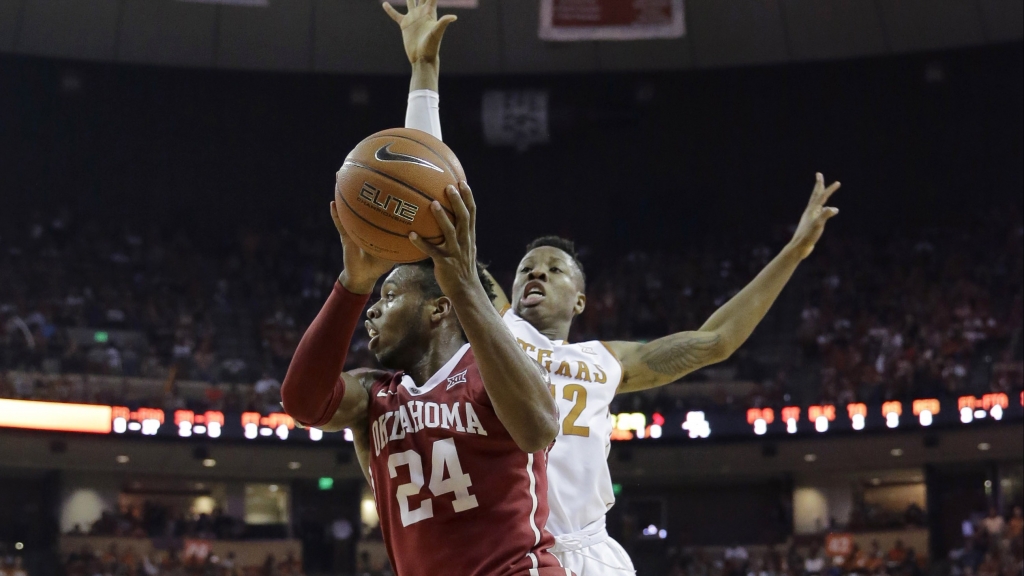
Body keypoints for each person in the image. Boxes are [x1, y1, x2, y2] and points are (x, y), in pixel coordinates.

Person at [390, 2, 842, 573]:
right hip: (514, 549)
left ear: (580, 300)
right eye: (528, 267)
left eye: (554, 270)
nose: (536, 273)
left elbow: (716, 341)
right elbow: (433, 212)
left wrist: (794, 253)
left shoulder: (605, 362)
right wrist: (424, 71)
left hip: (594, 551)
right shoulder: (491, 329)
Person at [280, 183, 570, 576]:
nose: (373, 311)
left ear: (439, 308)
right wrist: (352, 286)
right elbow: (301, 402)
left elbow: (538, 430)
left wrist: (465, 283)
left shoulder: (491, 368)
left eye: (389, 295)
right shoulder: (374, 394)